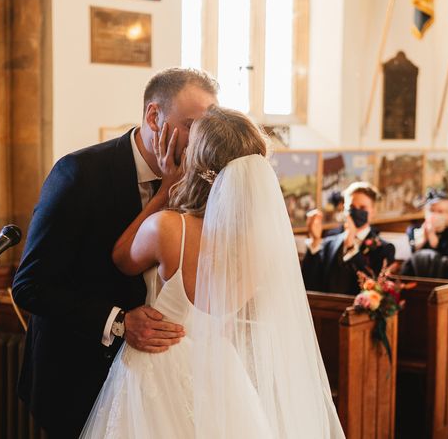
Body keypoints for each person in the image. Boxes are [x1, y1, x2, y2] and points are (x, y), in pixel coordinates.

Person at [81, 106, 343, 438]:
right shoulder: (263, 244)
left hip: (158, 371)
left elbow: (121, 258)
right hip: (221, 374)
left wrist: (164, 191)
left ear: (196, 164)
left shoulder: (169, 229)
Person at [12, 67, 218, 436]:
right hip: (77, 376)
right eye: (191, 125)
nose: (199, 139)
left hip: (156, 389)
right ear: (154, 116)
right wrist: (120, 321)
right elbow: (30, 285)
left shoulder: (200, 184)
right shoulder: (79, 174)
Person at [302, 181, 396, 295]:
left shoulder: (385, 249)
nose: (356, 211)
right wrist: (315, 241)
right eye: (352, 206)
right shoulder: (329, 243)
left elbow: (376, 289)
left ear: (373, 212)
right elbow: (309, 283)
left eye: (362, 207)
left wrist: (351, 245)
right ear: (344, 209)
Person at [406, 188, 448, 260]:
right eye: (431, 210)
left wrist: (433, 240)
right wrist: (421, 241)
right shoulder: (413, 229)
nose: (435, 215)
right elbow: (409, 256)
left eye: (440, 211)